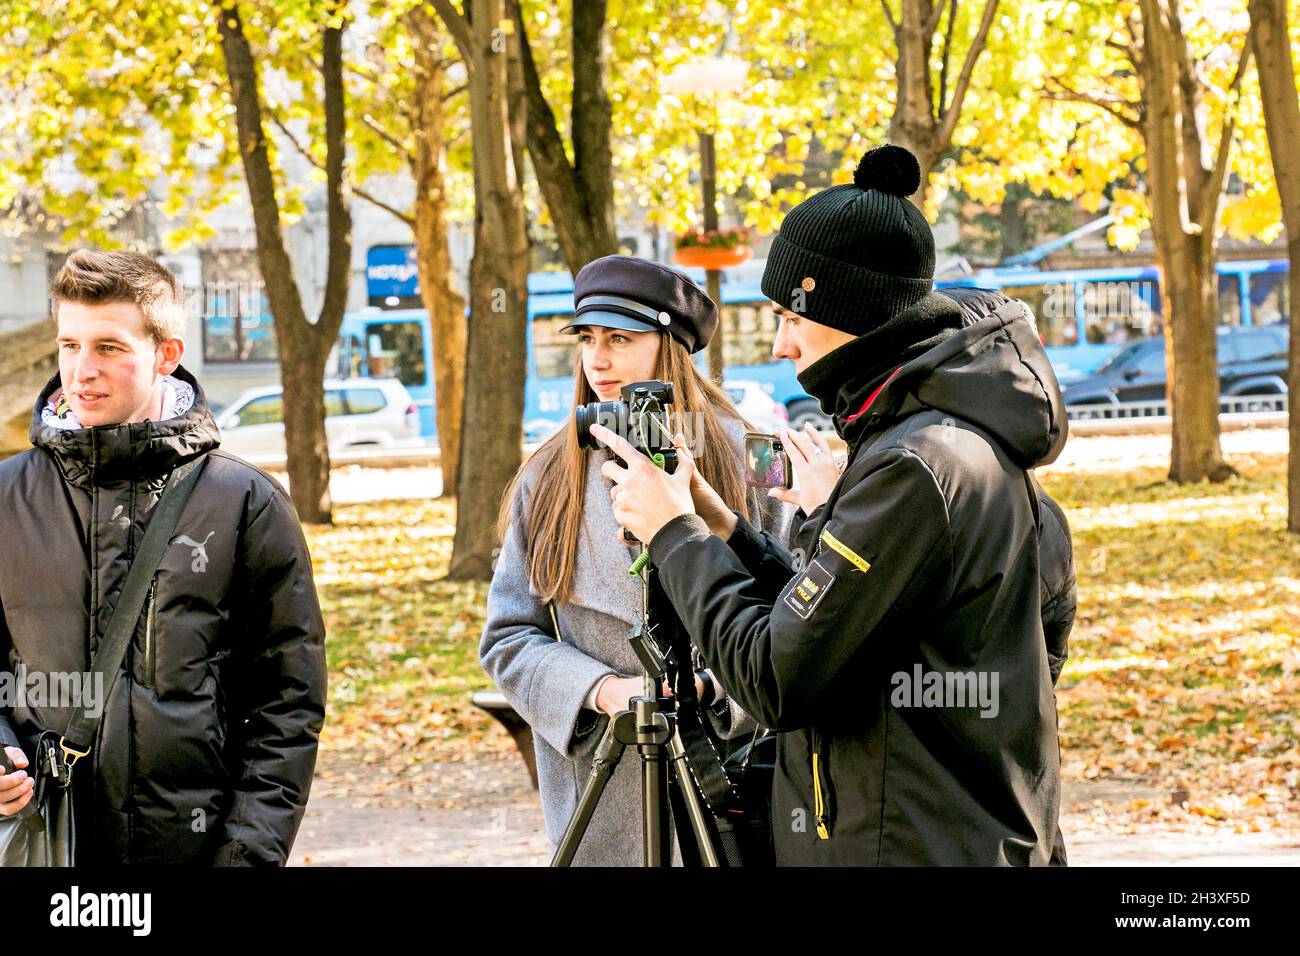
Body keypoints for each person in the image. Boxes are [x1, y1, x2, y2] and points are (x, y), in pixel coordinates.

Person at [597, 144, 1071, 865]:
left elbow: (777, 678)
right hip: (950, 834)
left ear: (844, 309)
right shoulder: (963, 435)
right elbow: (840, 624)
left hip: (908, 847)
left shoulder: (914, 467)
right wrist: (722, 526)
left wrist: (673, 532)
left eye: (790, 316)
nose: (782, 344)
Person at [0, 250, 326, 865]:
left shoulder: (245, 502)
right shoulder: (6, 498)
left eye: (109, 348)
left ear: (166, 354)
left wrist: (246, 855)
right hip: (44, 850)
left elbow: (289, 703)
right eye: (69, 345)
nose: (82, 372)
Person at [479, 255, 791, 866]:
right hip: (604, 798)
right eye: (588, 339)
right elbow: (508, 638)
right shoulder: (548, 475)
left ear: (669, 346)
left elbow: (798, 622)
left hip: (728, 787)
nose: (598, 360)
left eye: (620, 339)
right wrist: (605, 692)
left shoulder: (755, 456)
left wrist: (714, 691)